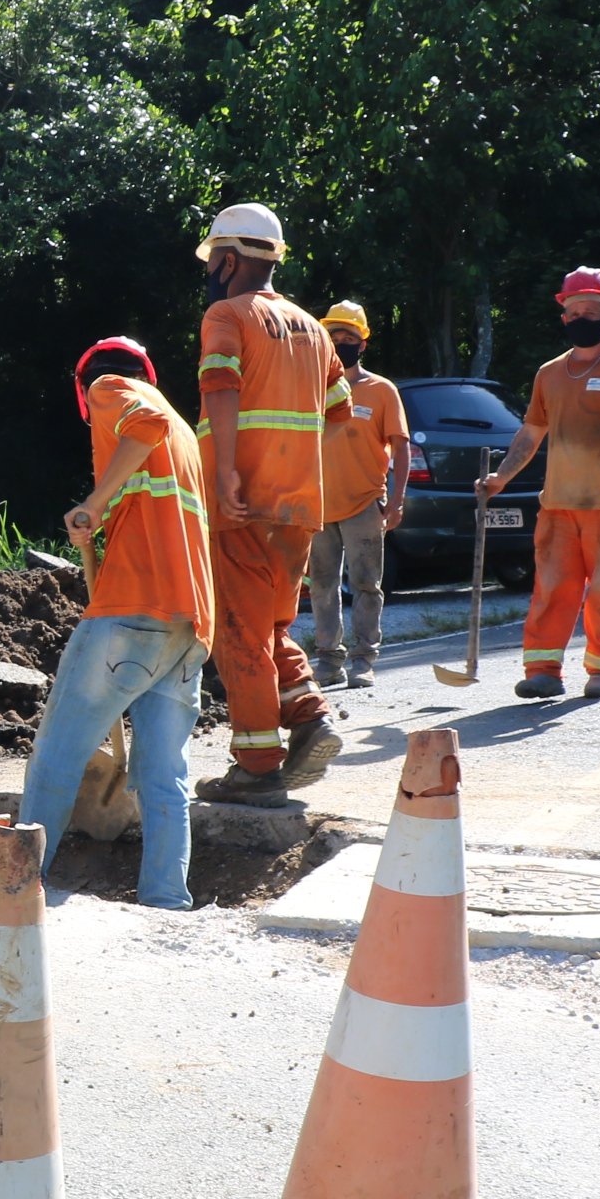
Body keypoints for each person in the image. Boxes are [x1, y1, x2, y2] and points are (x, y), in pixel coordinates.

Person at [19, 336, 212, 908]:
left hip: (132, 609)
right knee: (164, 774)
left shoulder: (112, 387)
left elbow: (143, 419)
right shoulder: (186, 433)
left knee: (56, 752)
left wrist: (95, 502)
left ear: (84, 390)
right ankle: (167, 899)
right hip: (190, 621)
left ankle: (15, 888)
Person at [186, 203, 348, 807]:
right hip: (299, 505)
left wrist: (228, 471)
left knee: (239, 633)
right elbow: (339, 413)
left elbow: (219, 388)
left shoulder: (226, 314)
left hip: (242, 502)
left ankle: (256, 766)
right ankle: (308, 715)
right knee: (271, 624)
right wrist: (293, 465)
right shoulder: (312, 326)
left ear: (228, 259)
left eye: (215, 261)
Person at [477, 265, 600, 699]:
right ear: (564, 317)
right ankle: (543, 670)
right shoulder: (549, 374)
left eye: (591, 309)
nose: (582, 316)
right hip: (558, 506)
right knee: (550, 591)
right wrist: (501, 477)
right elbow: (530, 433)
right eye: (575, 309)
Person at [307, 300, 410, 686]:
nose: (341, 343)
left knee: (366, 583)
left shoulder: (381, 390)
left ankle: (364, 660)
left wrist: (396, 501)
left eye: (349, 337)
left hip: (365, 502)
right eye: (335, 336)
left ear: (362, 343)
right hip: (316, 504)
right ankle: (329, 662)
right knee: (322, 585)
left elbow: (400, 447)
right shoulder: (310, 389)